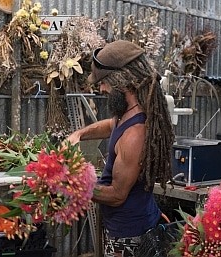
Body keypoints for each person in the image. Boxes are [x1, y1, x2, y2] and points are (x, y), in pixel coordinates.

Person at [66, 40, 174, 256]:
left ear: (123, 83)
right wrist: (80, 134)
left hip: (129, 236)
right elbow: (110, 125)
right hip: (122, 226)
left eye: (104, 82)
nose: (101, 89)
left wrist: (75, 186)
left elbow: (117, 195)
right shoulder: (127, 112)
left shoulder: (135, 135)